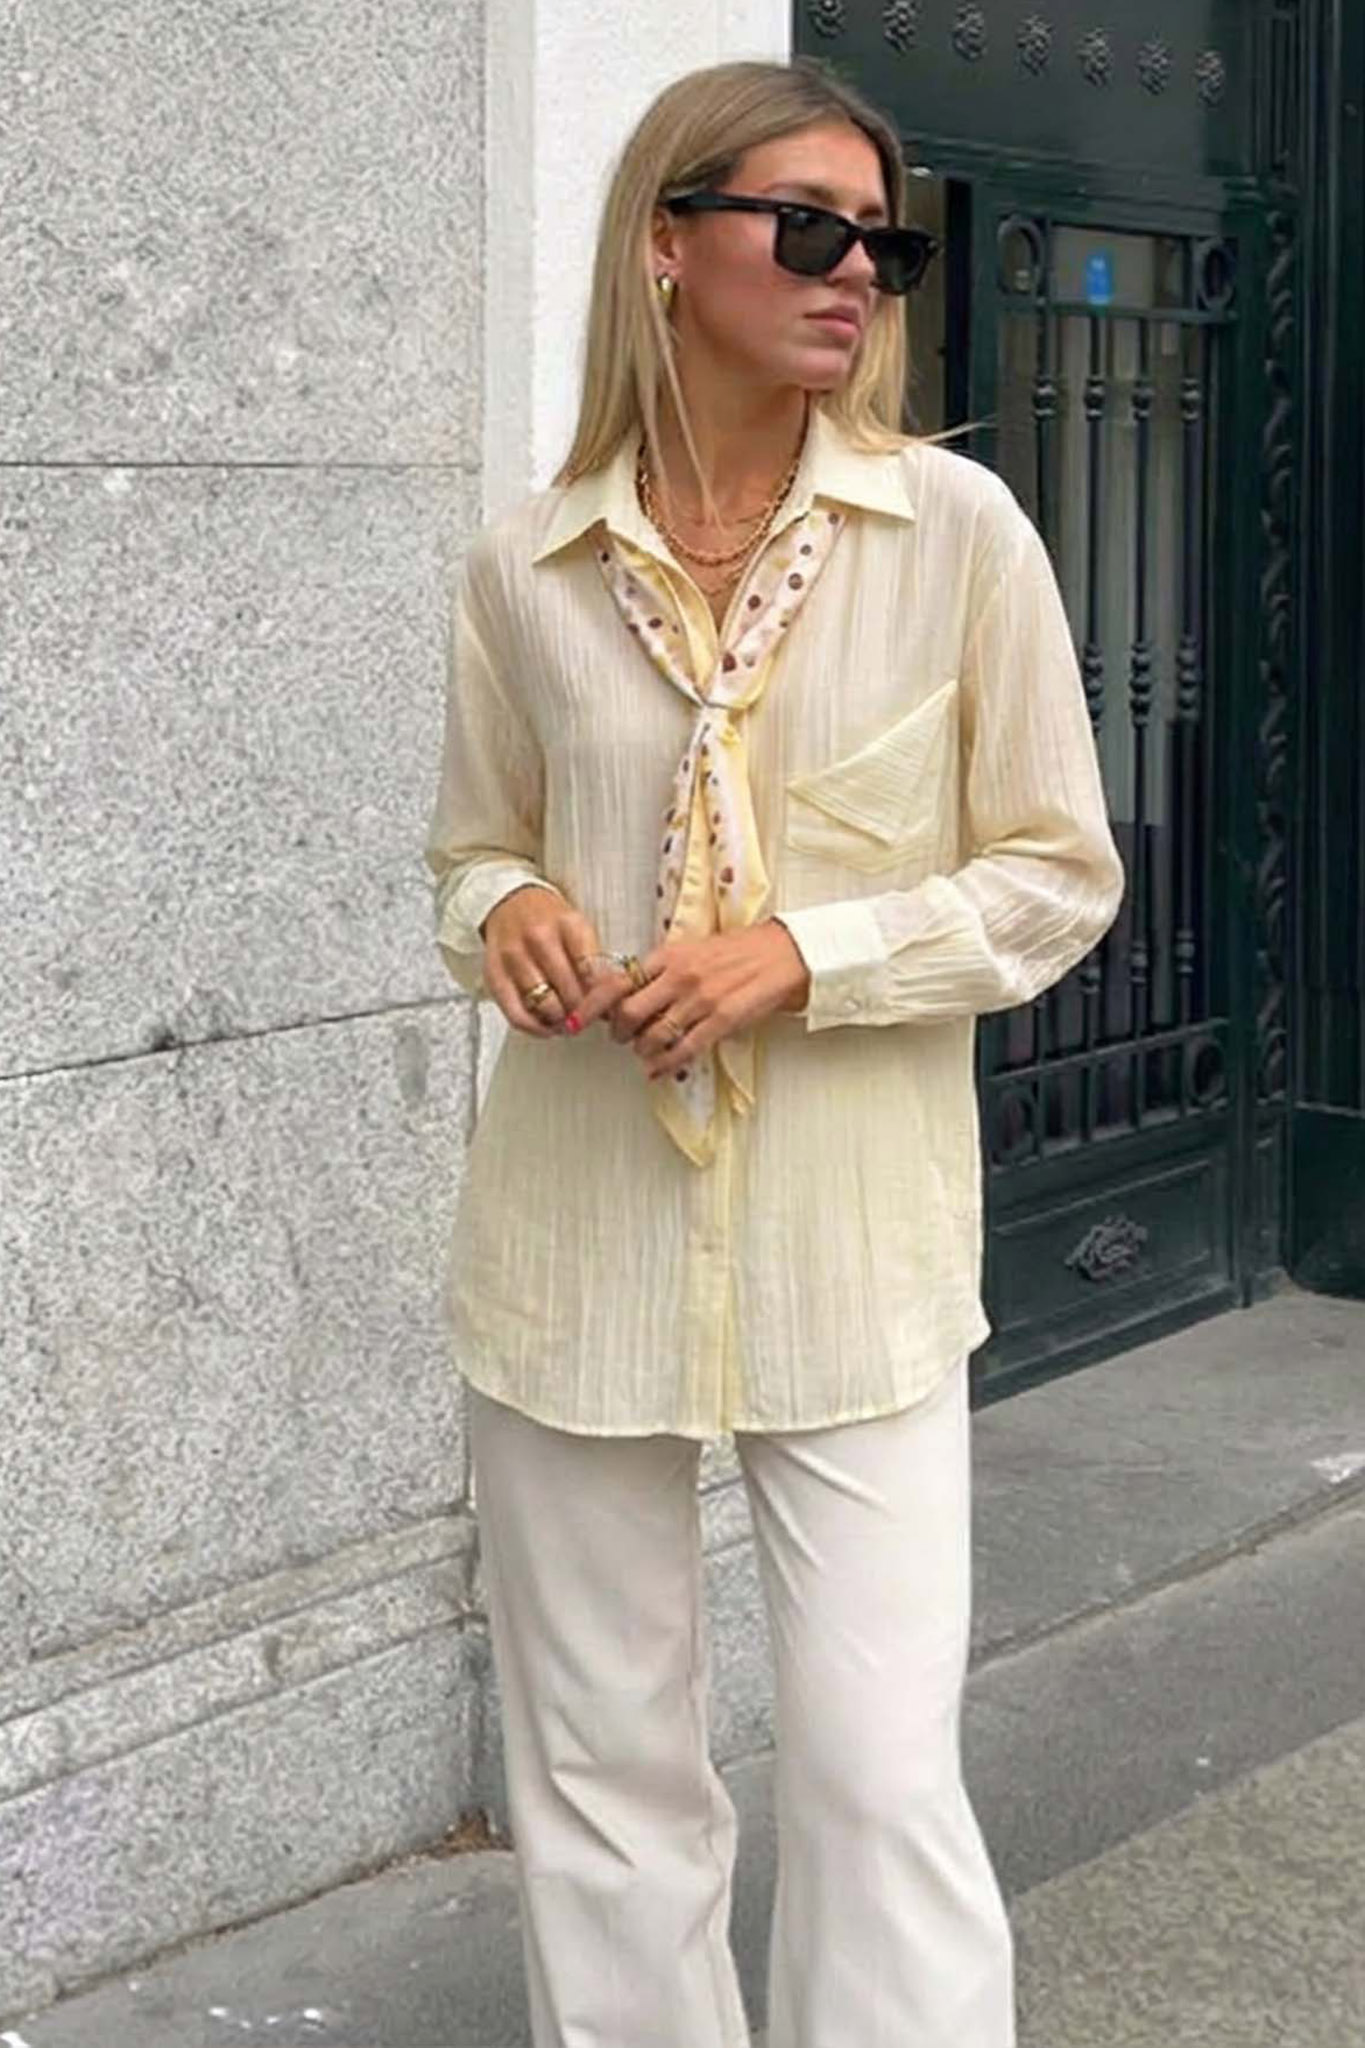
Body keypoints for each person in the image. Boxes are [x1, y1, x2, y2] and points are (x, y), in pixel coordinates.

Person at [423, 56, 1123, 2048]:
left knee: (876, 1776)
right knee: (600, 1778)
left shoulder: (955, 535)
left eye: (881, 243)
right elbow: (470, 850)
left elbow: (1052, 878)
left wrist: (798, 955)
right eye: (805, 226)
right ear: (667, 242)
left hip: (853, 1247)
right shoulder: (527, 570)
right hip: (575, 1234)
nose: (853, 274)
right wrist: (509, 913)